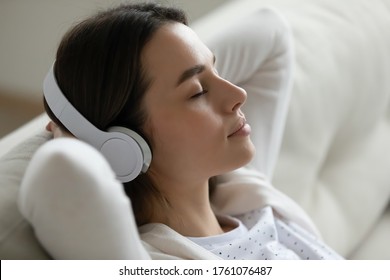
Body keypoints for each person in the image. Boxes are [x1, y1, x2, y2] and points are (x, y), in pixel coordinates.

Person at [18, 2, 343, 260]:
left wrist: (181, 55)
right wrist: (86, 138)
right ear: (122, 145)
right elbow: (60, 171)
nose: (238, 95)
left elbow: (270, 28)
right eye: (197, 91)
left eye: (217, 70)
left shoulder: (243, 194)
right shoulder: (153, 262)